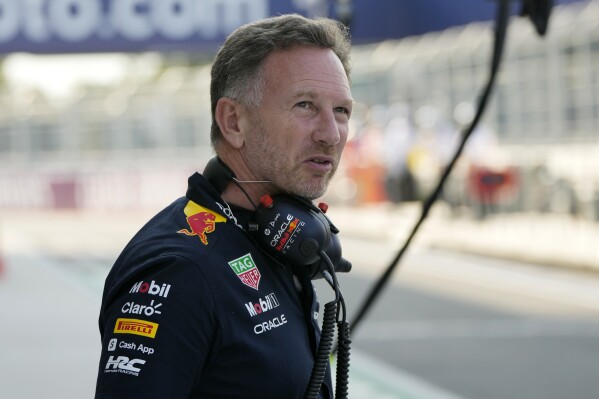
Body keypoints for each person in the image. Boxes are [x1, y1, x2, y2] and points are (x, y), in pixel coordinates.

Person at [95, 13, 353, 399]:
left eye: (341, 111)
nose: (331, 134)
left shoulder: (271, 236)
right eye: (304, 105)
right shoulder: (181, 270)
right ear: (233, 121)